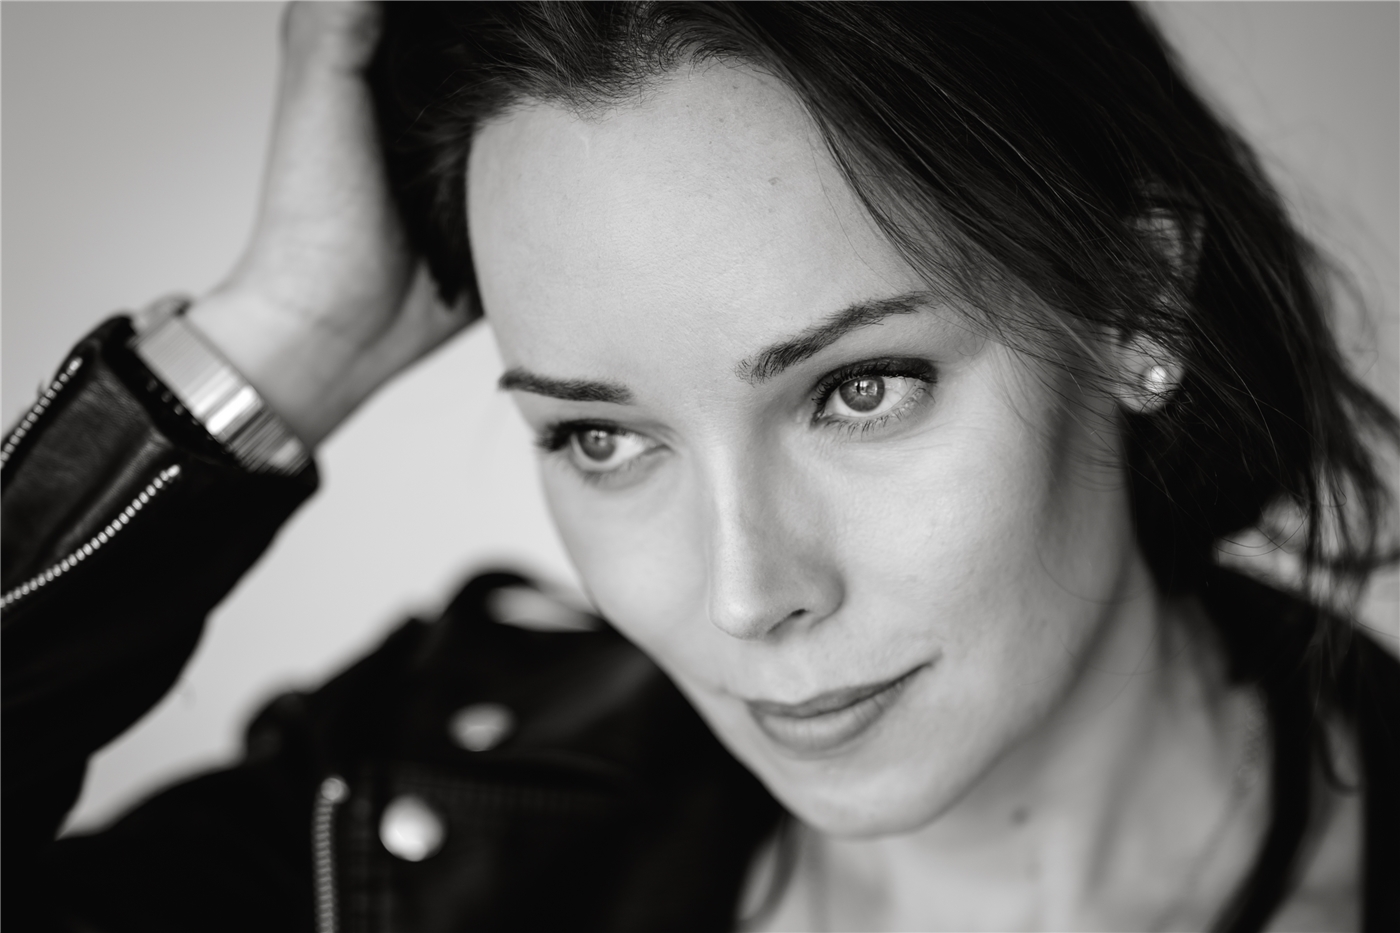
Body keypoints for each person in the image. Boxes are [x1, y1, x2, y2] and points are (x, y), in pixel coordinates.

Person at [3, 2, 1396, 931]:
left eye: (857, 390)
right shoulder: (386, 832)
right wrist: (282, 342)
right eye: (601, 438)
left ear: (1136, 310)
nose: (745, 594)